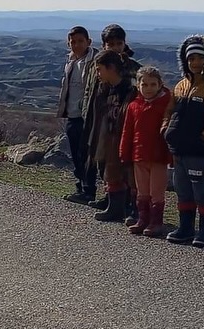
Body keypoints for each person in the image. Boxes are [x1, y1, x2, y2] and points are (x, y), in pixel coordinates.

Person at [164, 35, 204, 247]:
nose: (196, 63)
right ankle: (185, 228)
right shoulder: (180, 86)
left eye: (200, 58)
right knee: (182, 188)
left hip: (200, 150)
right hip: (178, 148)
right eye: (191, 59)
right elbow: (170, 111)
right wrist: (165, 129)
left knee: (202, 190)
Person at [86, 24, 141, 211]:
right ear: (104, 46)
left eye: (119, 43)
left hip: (121, 122)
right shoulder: (99, 66)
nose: (115, 47)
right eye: (111, 44)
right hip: (102, 118)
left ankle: (122, 201)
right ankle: (109, 196)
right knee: (103, 160)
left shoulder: (133, 69)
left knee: (119, 163)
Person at [119, 67, 174, 236]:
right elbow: (127, 131)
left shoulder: (166, 103)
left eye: (153, 84)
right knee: (141, 190)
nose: (148, 88)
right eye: (144, 84)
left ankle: (156, 222)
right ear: (138, 85)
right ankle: (143, 219)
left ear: (160, 85)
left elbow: (170, 131)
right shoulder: (134, 106)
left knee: (156, 192)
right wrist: (124, 151)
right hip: (139, 155)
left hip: (158, 156)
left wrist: (171, 156)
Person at [57, 26, 96, 204]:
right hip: (73, 114)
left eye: (80, 41)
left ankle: (89, 190)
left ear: (89, 42)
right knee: (76, 153)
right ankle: (81, 187)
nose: (77, 45)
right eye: (73, 42)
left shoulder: (94, 61)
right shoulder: (71, 61)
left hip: (87, 116)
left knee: (85, 155)